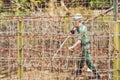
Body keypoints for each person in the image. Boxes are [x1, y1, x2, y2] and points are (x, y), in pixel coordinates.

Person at [68, 13, 100, 79]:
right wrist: (73, 30)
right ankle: (79, 71)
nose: (73, 22)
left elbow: (79, 41)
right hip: (83, 45)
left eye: (75, 20)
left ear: (78, 21)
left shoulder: (82, 29)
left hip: (86, 46)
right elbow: (75, 27)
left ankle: (96, 74)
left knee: (88, 61)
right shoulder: (78, 26)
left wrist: (72, 47)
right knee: (80, 59)